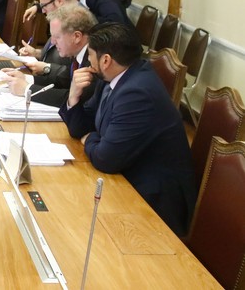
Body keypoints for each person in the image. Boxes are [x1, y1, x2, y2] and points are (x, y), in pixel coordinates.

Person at [60, 22, 196, 236]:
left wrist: (91, 138)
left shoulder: (136, 94)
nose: (88, 61)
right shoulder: (114, 76)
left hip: (153, 200)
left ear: (106, 60)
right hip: (126, 173)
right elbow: (80, 128)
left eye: (91, 55)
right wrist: (73, 95)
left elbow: (106, 159)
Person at [4, 4, 96, 107]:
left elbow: (76, 99)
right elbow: (64, 79)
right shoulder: (78, 53)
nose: (53, 42)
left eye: (57, 37)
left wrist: (27, 89)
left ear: (77, 37)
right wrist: (26, 78)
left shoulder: (94, 60)